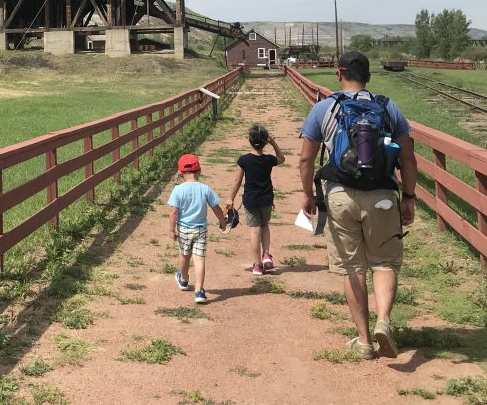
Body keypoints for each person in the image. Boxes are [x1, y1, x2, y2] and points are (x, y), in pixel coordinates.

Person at [298, 51, 417, 359]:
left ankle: (363, 341)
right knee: (385, 262)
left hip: (340, 196)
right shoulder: (388, 107)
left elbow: (306, 159)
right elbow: (407, 158)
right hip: (382, 196)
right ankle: (384, 321)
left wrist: (309, 196)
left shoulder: (325, 108)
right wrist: (409, 197)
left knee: (353, 268)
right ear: (368, 77)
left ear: (339, 73)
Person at [224, 124, 286, 275]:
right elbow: (282, 158)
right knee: (264, 226)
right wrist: (273, 142)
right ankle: (266, 255)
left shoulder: (244, 160)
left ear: (249, 140)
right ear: (265, 142)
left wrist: (230, 198)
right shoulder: (269, 160)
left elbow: (237, 181)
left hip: (251, 200)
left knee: (254, 230)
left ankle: (257, 265)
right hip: (266, 199)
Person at [168, 153, 228, 304]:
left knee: (184, 255)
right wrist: (222, 222)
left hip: (183, 229)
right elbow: (216, 208)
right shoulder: (205, 189)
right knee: (199, 258)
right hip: (200, 229)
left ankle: (183, 279)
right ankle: (199, 290)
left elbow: (174, 212)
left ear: (181, 173)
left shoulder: (177, 190)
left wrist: (171, 229)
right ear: (199, 171)